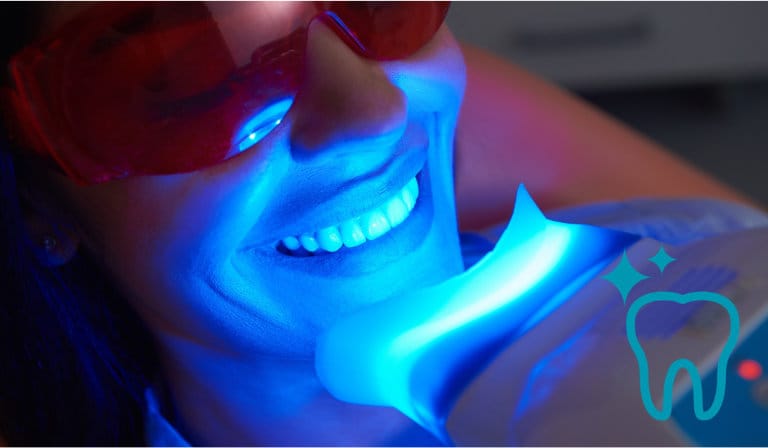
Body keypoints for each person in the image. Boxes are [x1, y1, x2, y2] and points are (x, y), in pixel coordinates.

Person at [0, 2, 765, 446]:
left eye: (376, 3)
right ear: (36, 201)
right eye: (193, 80)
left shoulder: (696, 255)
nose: (375, 112)